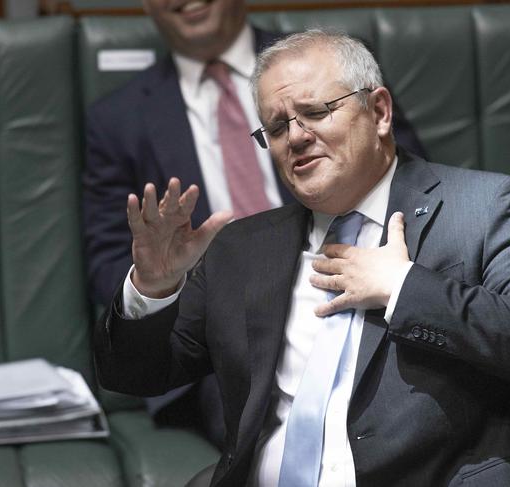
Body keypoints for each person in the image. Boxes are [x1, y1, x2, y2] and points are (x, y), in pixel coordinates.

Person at [94, 30, 510, 486]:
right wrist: (153, 288)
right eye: (278, 126)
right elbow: (137, 376)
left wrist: (404, 288)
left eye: (315, 111)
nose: (297, 137)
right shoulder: (244, 248)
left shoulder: (482, 208)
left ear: (379, 112)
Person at [83, 0, 427, 447]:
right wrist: (169, 288)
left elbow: (409, 180)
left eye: (313, 116)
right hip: (220, 340)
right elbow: (109, 261)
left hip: (355, 289)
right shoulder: (117, 120)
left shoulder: (327, 65)